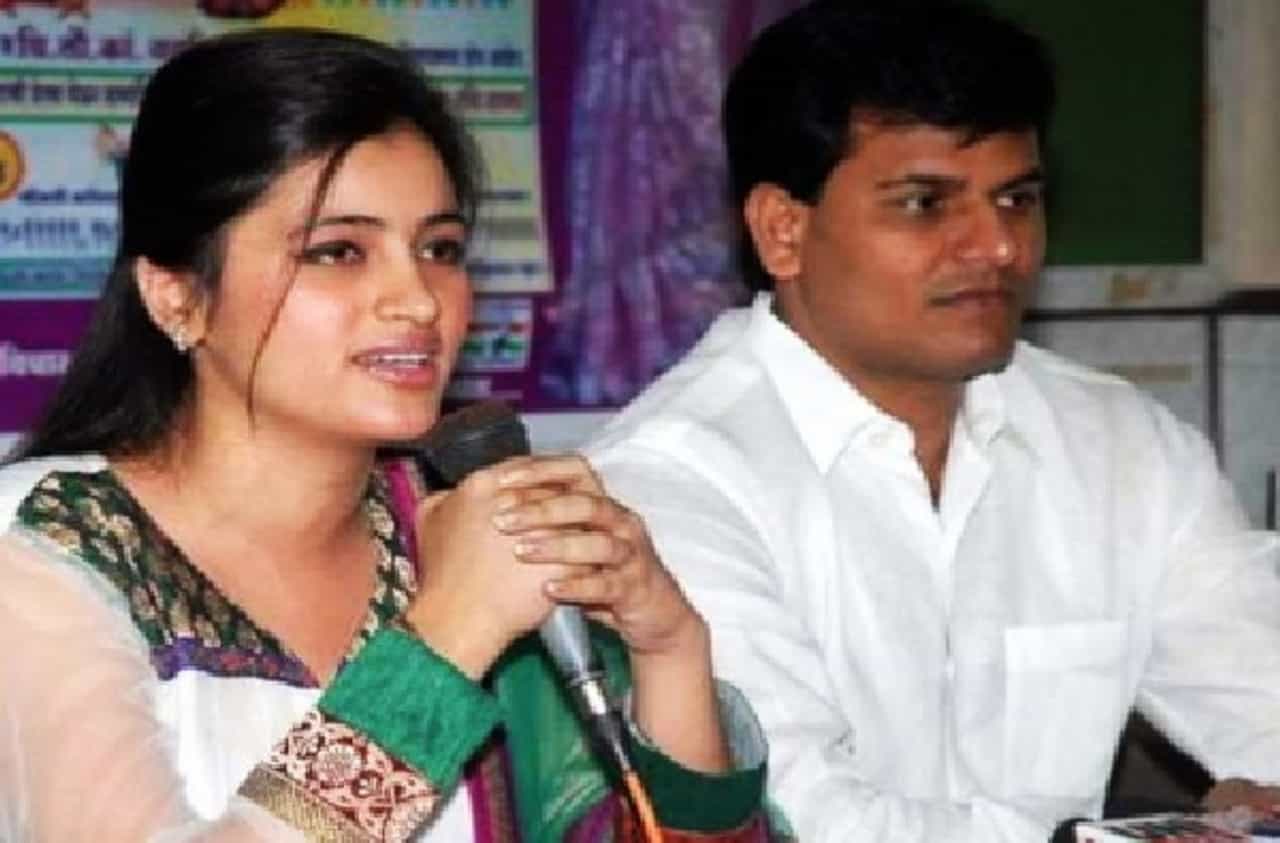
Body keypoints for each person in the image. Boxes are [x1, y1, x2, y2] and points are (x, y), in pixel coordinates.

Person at [0, 28, 779, 843]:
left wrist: (669, 650)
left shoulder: (463, 523)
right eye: (339, 251)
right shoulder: (54, 539)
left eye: (440, 248)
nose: (418, 298)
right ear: (176, 295)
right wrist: (448, 635)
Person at [586, 1, 1280, 841]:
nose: (998, 246)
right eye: (926, 203)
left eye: (1017, 198)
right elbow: (797, 821)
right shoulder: (666, 484)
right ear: (782, 230)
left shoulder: (1124, 447)